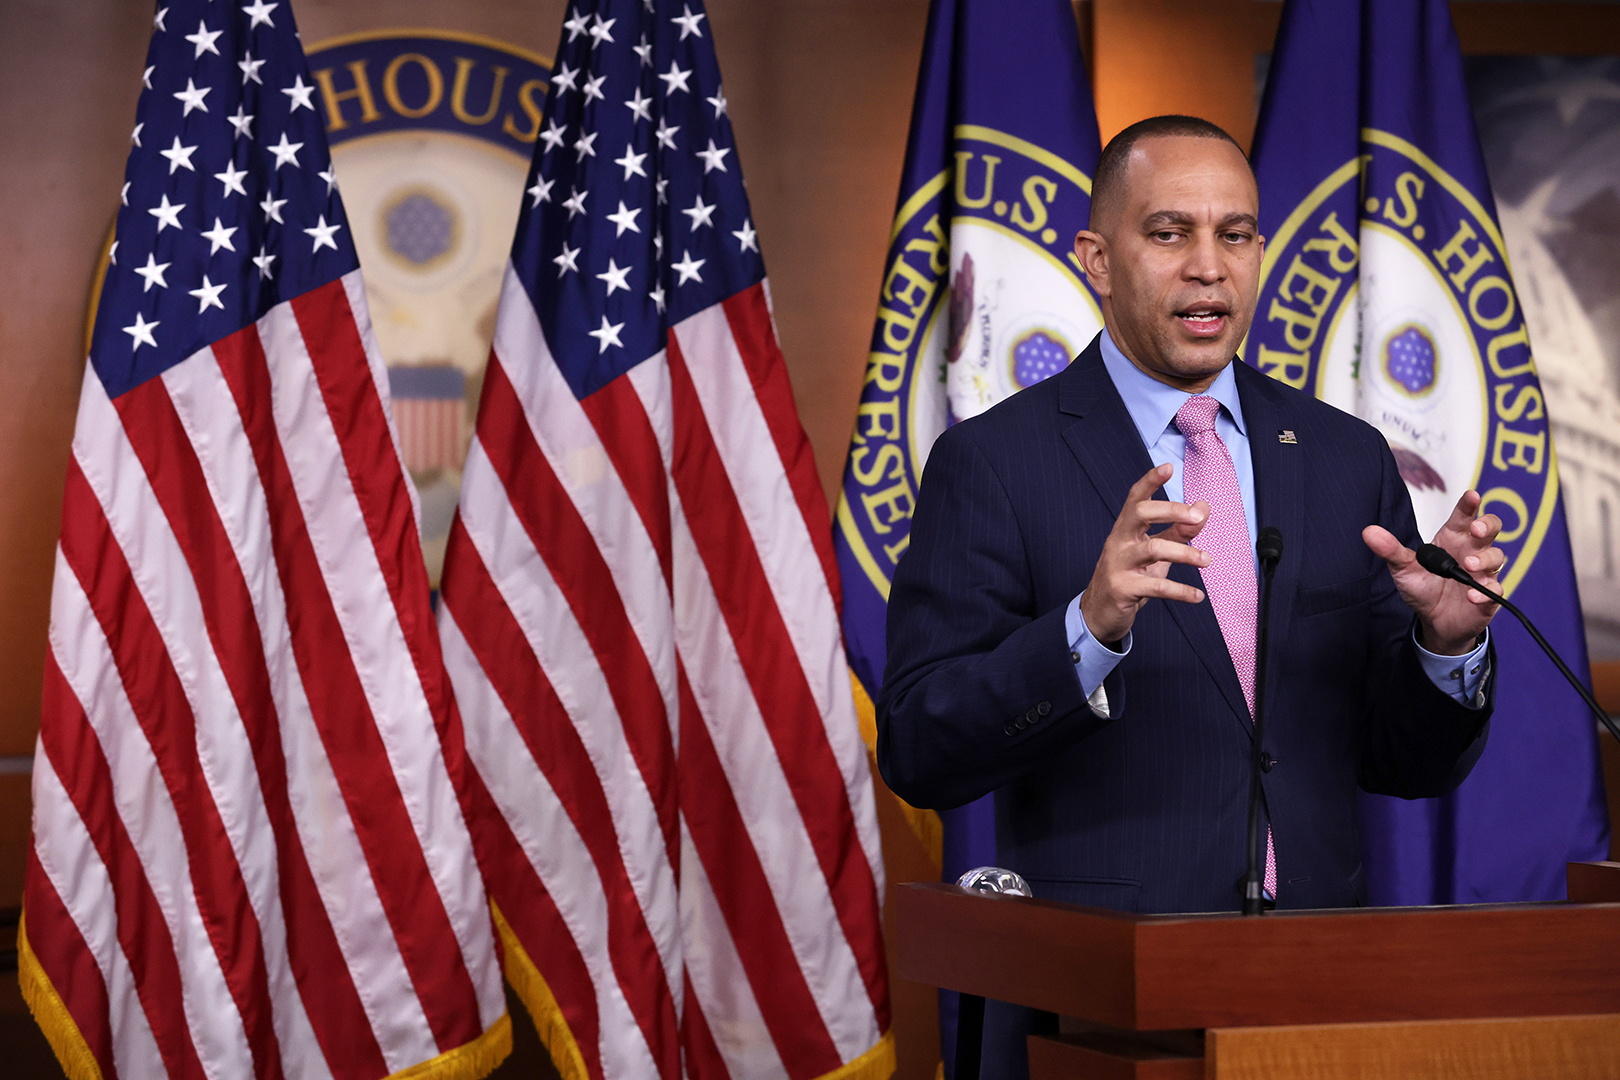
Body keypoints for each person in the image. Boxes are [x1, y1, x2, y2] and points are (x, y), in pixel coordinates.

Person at [875, 116, 1502, 1076]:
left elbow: (1400, 761)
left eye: (1236, 233)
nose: (1209, 266)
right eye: (1169, 233)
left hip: (1319, 992)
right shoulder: (994, 464)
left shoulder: (1343, 459)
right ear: (1097, 257)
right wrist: (1085, 630)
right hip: (1104, 1002)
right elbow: (920, 744)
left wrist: (1444, 648)